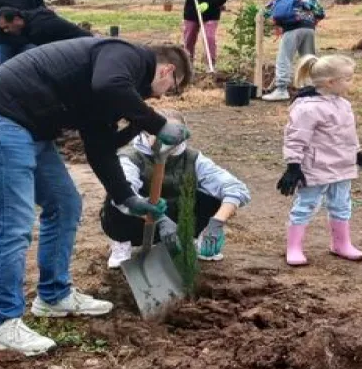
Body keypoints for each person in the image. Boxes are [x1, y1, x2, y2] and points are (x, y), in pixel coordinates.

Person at [0, 37, 192, 356]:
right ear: (167, 70)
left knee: (65, 204)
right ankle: (1, 324)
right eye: (172, 89)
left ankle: (53, 296)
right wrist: (157, 121)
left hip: (27, 129)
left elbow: (100, 146)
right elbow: (110, 85)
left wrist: (127, 198)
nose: (163, 96)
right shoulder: (126, 56)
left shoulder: (114, 88)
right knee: (14, 224)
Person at [100, 110, 251, 268]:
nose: (168, 140)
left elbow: (236, 188)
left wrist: (217, 222)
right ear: (147, 132)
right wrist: (161, 220)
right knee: (119, 196)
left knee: (213, 194)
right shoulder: (130, 157)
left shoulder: (192, 158)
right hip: (138, 224)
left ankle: (196, 238)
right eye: (160, 133)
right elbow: (125, 196)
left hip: (176, 219)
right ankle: (122, 243)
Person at [276, 54, 362, 267]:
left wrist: (358, 155)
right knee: (306, 205)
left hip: (342, 167)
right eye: (348, 78)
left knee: (342, 205)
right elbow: (296, 138)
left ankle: (341, 244)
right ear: (331, 82)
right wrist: (293, 166)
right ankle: (294, 247)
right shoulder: (307, 108)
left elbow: (348, 135)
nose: (352, 82)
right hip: (316, 168)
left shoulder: (343, 105)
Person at [261, 0, 325, 102]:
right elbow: (321, 13)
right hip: (309, 28)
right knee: (308, 58)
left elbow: (267, 11)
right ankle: (309, 86)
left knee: (284, 57)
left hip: (292, 29)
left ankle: (281, 90)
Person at [0, 7, 92, 46]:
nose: (5, 31)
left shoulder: (39, 28)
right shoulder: (26, 16)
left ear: (17, 20)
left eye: (7, 27)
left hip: (81, 46)